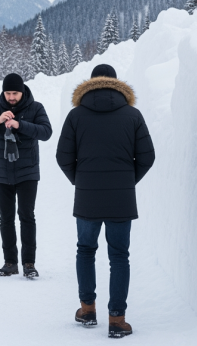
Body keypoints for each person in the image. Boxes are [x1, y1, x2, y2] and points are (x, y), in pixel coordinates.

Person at [55, 64, 155, 338]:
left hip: (87, 197)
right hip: (121, 199)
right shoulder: (133, 115)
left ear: (91, 84)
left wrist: (82, 180)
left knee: (85, 250)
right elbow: (147, 157)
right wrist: (125, 181)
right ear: (116, 84)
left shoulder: (76, 116)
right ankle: (117, 320)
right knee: (119, 256)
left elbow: (63, 157)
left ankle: (87, 310)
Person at [0, 73, 52, 278]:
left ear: (22, 91)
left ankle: (29, 263)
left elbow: (46, 132)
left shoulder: (36, 108)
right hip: (2, 172)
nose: (11, 97)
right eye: (7, 93)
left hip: (28, 172)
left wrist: (20, 125)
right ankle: (10, 262)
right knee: (6, 218)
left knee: (27, 217)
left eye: (15, 93)